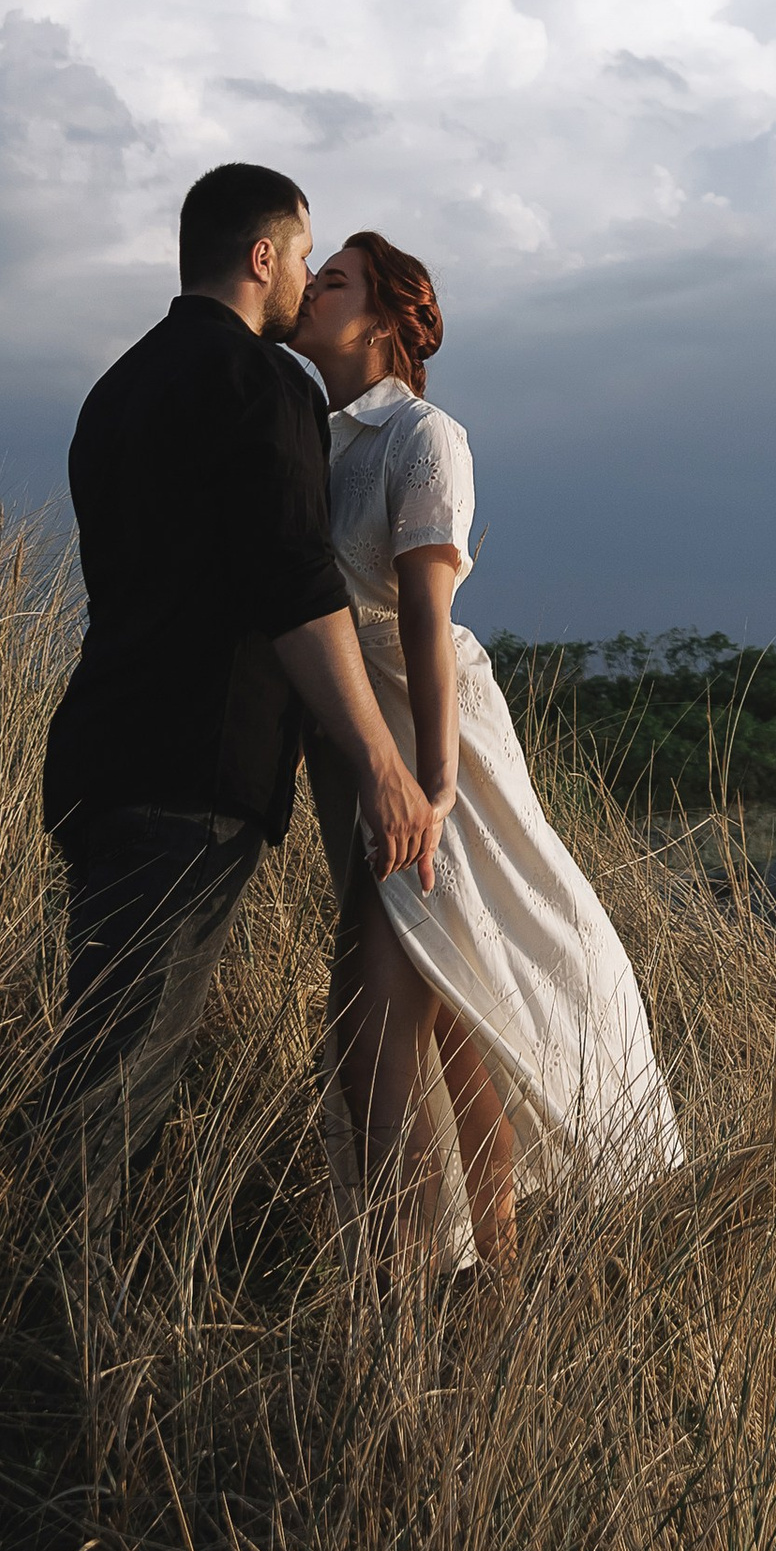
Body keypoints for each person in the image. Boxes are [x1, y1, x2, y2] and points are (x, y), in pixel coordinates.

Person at [38, 163, 442, 1206]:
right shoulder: (262, 386)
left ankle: (55, 1301)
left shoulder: (114, 390)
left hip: (101, 751)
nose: (309, 281)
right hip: (191, 770)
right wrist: (381, 764)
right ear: (262, 256)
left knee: (105, 1035)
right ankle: (57, 1332)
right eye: (305, 257)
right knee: (120, 1072)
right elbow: (295, 591)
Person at [297, 228, 684, 1267]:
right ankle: (490, 1287)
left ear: (380, 321)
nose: (306, 288)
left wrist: (432, 784)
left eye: (330, 280)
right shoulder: (318, 439)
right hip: (365, 746)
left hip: (437, 742)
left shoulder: (424, 436)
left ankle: (418, 1291)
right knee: (456, 1011)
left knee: (384, 1029)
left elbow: (424, 615)